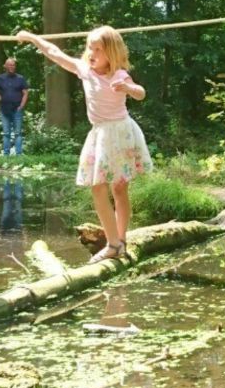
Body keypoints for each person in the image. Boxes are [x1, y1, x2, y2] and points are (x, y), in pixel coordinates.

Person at [17, 26, 152, 262]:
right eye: (90, 47)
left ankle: (119, 241)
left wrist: (128, 88)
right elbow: (54, 52)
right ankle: (113, 242)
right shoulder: (85, 70)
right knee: (98, 187)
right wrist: (32, 38)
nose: (92, 52)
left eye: (98, 49)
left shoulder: (118, 74)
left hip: (120, 134)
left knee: (119, 188)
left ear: (112, 53)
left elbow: (141, 93)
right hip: (99, 135)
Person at [0, 58, 29, 156]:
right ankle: (6, 155)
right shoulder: (0, 78)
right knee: (6, 134)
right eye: (9, 65)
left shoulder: (20, 78)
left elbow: (25, 93)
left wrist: (22, 105)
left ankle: (19, 155)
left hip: (17, 109)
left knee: (18, 133)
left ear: (15, 66)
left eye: (13, 65)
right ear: (5, 66)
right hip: (4, 110)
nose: (11, 67)